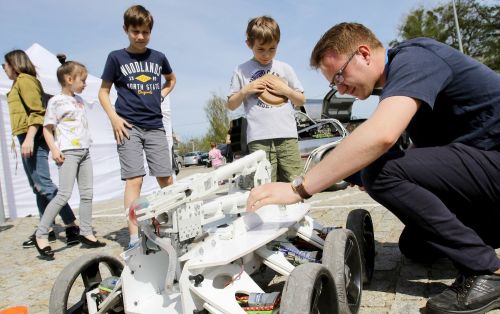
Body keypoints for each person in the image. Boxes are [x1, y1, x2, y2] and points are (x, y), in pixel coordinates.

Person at [247, 22, 500, 313]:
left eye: (339, 76)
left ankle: (485, 271)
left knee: (380, 171)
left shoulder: (416, 58)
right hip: (486, 179)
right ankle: (475, 242)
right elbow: (425, 155)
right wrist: (362, 168)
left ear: (364, 53)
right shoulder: (399, 84)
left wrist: (299, 188)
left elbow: (381, 135)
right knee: (415, 245)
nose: (340, 88)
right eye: (333, 84)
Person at [98, 5, 176, 249]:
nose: (140, 36)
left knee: (166, 178)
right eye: (135, 31)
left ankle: (175, 226)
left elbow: (171, 79)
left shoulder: (158, 57)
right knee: (135, 180)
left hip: (155, 126)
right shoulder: (116, 57)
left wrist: (161, 93)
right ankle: (133, 237)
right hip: (128, 127)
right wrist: (114, 118)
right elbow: (103, 92)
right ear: (126, 30)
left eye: (145, 32)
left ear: (150, 31)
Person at [2, 50, 80, 248]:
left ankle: (71, 224)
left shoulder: (25, 80)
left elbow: (37, 112)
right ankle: (47, 229)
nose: (4, 68)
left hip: (33, 136)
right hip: (27, 136)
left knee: (43, 184)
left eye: (6, 64)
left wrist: (29, 138)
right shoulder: (19, 82)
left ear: (14, 63)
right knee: (38, 187)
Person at [33, 55, 106, 260]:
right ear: (68, 79)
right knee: (63, 194)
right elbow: (47, 129)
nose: (84, 84)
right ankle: (41, 234)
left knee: (87, 194)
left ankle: (86, 232)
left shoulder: (80, 100)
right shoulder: (56, 101)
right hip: (68, 153)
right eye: (82, 80)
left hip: (84, 152)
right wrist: (55, 150)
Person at [227, 15, 305, 182]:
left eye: (272, 49)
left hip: (287, 136)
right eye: (260, 49)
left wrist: (286, 90)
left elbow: (301, 101)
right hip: (258, 138)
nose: (266, 55)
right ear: (249, 44)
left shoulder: (285, 68)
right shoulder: (241, 70)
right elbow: (231, 105)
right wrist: (245, 91)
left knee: (296, 183)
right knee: (265, 185)